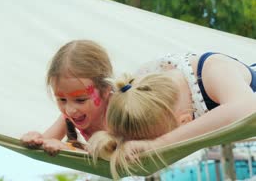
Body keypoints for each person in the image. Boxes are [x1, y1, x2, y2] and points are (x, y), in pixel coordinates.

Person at [88, 52, 256, 179]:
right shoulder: (135, 95)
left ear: (184, 121)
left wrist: (161, 142)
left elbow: (248, 109)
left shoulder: (213, 69)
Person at [20, 40, 113, 156]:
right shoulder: (70, 115)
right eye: (62, 100)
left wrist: (67, 149)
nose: (70, 110)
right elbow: (45, 142)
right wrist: (34, 140)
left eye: (80, 100)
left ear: (105, 92)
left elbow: (117, 155)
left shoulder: (121, 112)